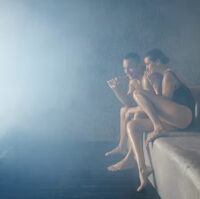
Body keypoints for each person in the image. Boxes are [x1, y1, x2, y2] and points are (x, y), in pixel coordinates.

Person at [126, 48, 195, 191]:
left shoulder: (168, 75)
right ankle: (142, 169)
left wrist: (154, 85)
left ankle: (158, 127)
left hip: (183, 115)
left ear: (158, 62)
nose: (147, 69)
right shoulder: (167, 75)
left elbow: (164, 102)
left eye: (149, 65)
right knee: (132, 126)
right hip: (175, 120)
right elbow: (162, 105)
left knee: (138, 93)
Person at [105, 52, 162, 171]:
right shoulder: (133, 81)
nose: (127, 72)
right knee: (123, 110)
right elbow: (128, 103)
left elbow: (153, 105)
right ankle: (122, 146)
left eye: (130, 67)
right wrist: (116, 89)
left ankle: (130, 157)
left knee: (136, 113)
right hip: (147, 111)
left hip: (158, 113)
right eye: (125, 69)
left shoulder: (147, 78)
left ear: (140, 66)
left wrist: (131, 111)